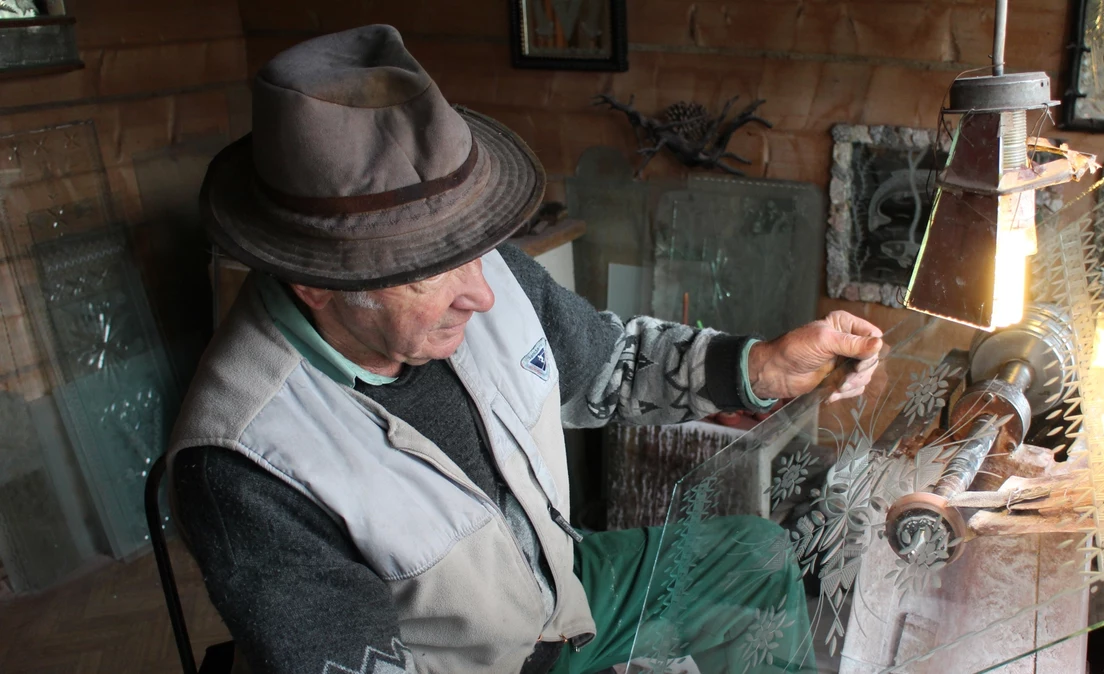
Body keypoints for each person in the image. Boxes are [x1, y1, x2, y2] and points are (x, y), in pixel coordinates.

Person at [170, 24, 882, 674]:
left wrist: (763, 367)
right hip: (481, 665)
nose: (482, 295)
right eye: (427, 270)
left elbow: (610, 363)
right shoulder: (243, 464)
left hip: (561, 584)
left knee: (757, 556)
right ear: (314, 283)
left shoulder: (487, 273)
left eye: (474, 248)